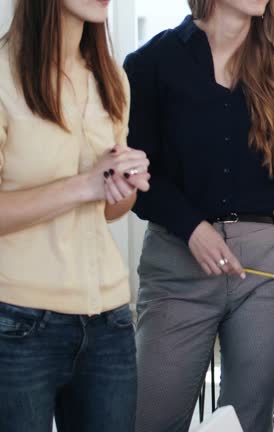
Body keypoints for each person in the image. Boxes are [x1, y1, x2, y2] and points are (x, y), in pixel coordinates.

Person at [123, 0, 274, 430]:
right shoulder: (152, 62)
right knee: (149, 417)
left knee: (247, 420)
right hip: (179, 262)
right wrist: (193, 228)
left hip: (270, 264)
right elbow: (138, 174)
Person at [0, 0, 151, 431]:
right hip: (16, 323)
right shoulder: (3, 74)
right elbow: (86, 187)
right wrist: (84, 184)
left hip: (110, 320)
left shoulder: (111, 78)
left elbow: (111, 211)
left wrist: (123, 183)